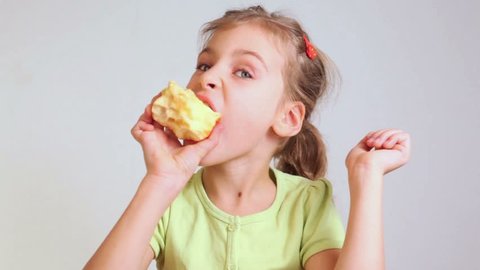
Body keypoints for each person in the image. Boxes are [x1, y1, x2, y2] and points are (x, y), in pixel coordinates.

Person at [84, 5, 411, 270]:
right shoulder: (170, 199)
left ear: (287, 118)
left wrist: (366, 179)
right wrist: (161, 180)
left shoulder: (307, 203)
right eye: (204, 64)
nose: (208, 78)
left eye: (243, 72)